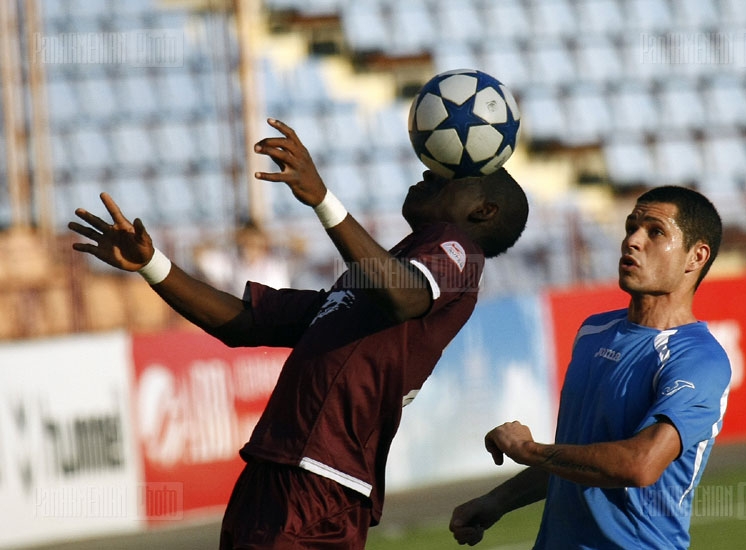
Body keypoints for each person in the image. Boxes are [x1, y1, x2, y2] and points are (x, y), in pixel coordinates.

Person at [69, 118, 529, 549]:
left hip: (323, 479)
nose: (428, 173)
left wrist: (322, 199)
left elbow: (405, 296)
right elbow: (245, 322)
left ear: (483, 212)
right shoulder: (368, 281)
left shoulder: (460, 254)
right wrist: (152, 265)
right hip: (279, 466)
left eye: (447, 177)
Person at [450, 186, 730, 549]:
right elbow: (579, 455)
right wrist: (498, 501)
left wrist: (529, 449)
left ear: (696, 256)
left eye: (655, 232)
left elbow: (639, 465)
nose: (632, 241)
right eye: (631, 227)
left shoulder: (698, 359)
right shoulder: (594, 331)